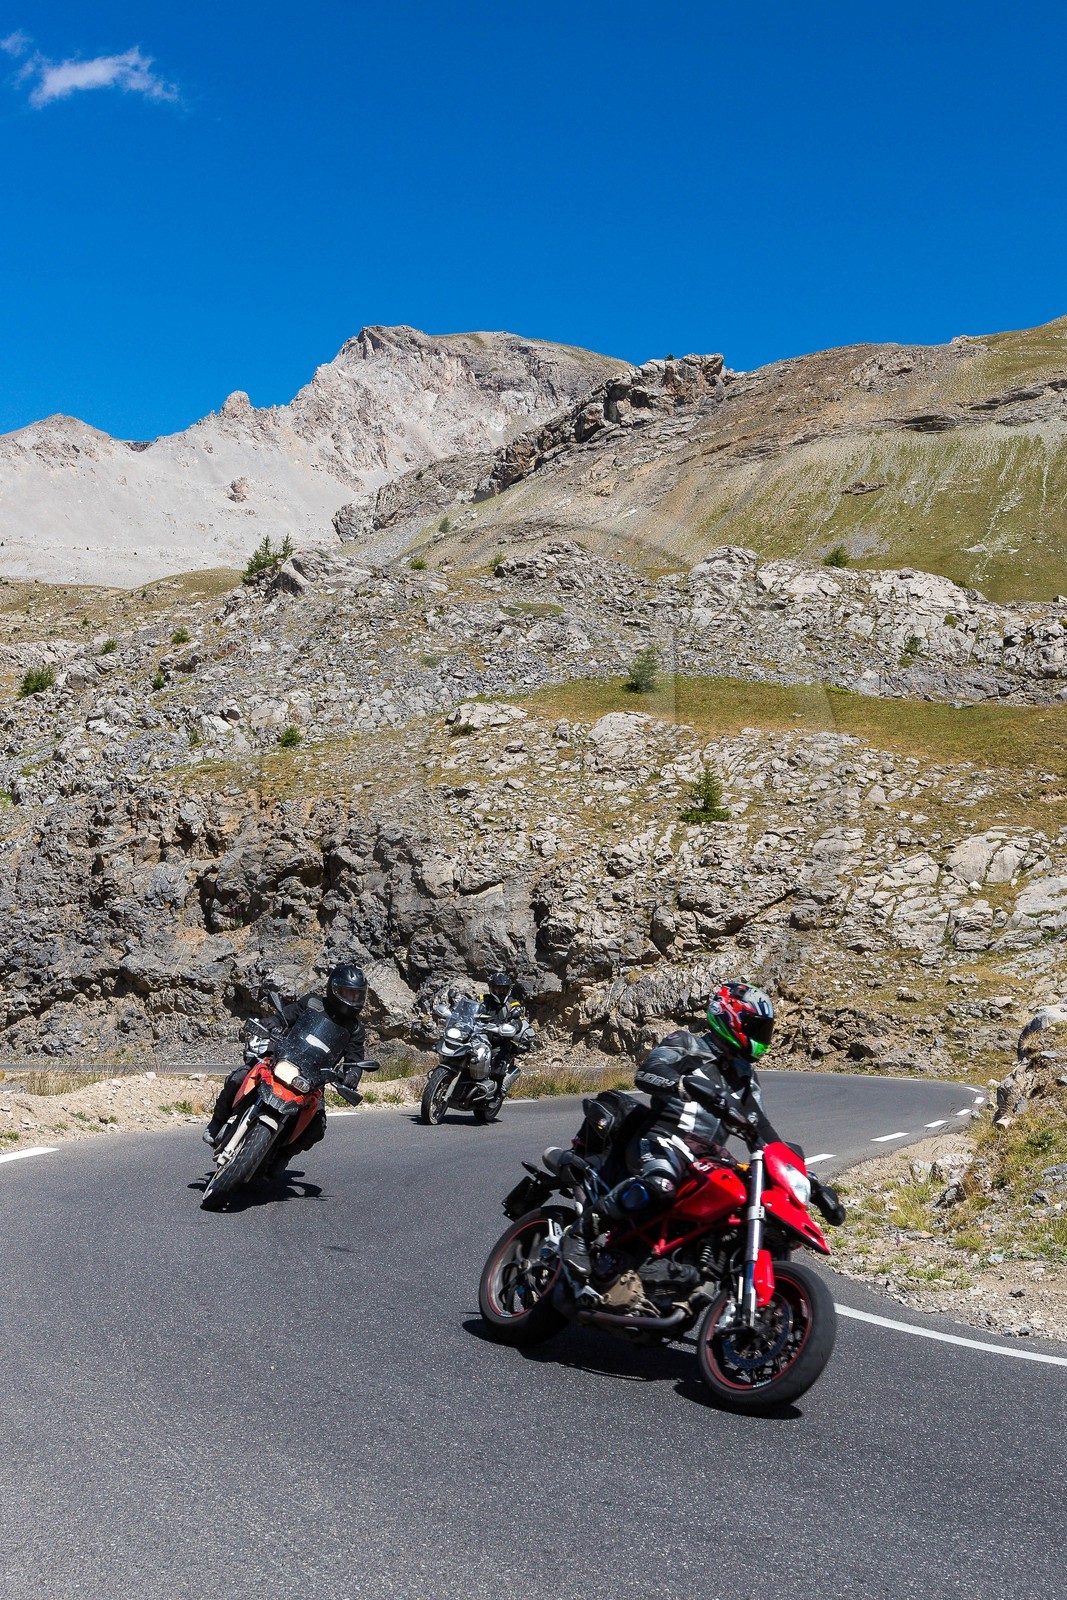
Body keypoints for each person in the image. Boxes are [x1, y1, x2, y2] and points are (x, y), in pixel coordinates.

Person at [561, 981, 783, 1278]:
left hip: (705, 1159)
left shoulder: (747, 1079)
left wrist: (800, 1175)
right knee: (661, 1183)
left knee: (734, 1208)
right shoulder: (689, 1043)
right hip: (663, 1140)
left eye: (763, 1031)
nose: (760, 1038)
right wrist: (681, 1083)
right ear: (729, 1017)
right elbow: (649, 1072)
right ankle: (579, 1235)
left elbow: (763, 1130)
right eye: (755, 1028)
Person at [202, 964, 371, 1168]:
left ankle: (282, 1156)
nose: (353, 999)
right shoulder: (312, 1002)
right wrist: (272, 1022)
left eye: (357, 995)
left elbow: (355, 1057)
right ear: (334, 989)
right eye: (348, 993)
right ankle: (217, 1122)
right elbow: (287, 1016)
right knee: (240, 1077)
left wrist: (352, 1074)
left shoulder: (355, 1029)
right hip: (282, 1058)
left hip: (312, 1078)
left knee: (318, 1126)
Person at [480, 971, 535, 1078]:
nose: (501, 992)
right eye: (498, 988)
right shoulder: (483, 999)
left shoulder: (513, 1003)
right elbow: (470, 1009)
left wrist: (513, 1026)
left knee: (497, 1071)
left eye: (504, 989)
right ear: (492, 988)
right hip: (480, 1037)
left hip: (500, 1042)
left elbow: (518, 1019)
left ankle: (498, 1091)